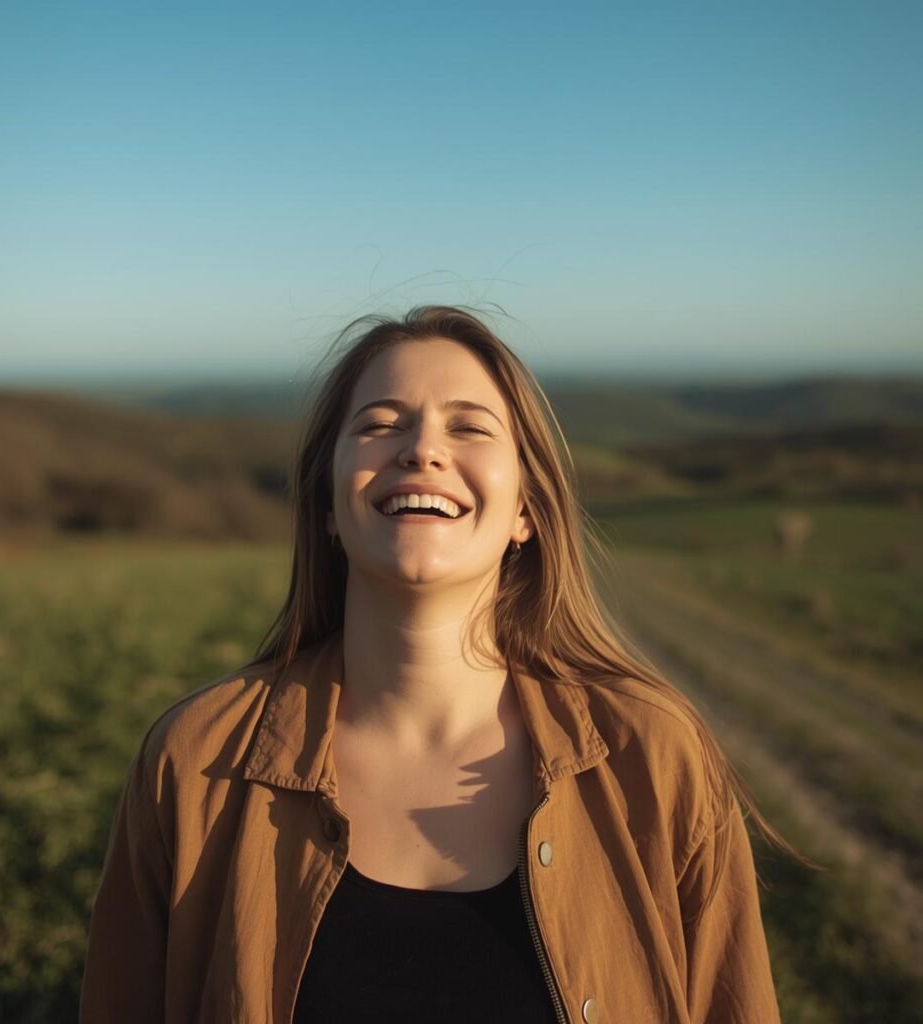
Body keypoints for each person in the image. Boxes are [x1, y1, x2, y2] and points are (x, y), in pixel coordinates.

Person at [81, 306, 793, 1023]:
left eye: (470, 426)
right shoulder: (194, 762)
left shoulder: (657, 755)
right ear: (328, 502)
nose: (422, 449)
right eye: (379, 424)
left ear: (526, 509)